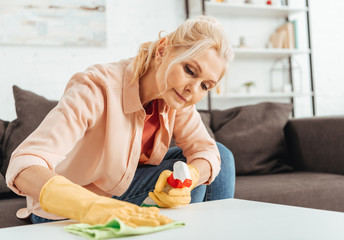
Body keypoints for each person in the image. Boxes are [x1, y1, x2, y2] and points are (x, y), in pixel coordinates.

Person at [5, 15, 235, 227]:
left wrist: (190, 179)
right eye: (190, 70)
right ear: (163, 50)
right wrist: (87, 204)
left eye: (205, 86)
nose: (193, 89)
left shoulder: (176, 97)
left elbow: (206, 151)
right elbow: (24, 163)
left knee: (218, 158)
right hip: (66, 207)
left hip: (119, 189)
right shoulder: (96, 88)